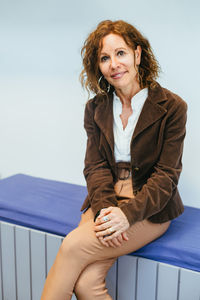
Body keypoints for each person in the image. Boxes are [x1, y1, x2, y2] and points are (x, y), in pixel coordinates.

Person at [41, 20, 187, 300]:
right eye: (104, 58)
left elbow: (166, 176)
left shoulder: (173, 107)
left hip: (149, 209)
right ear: (99, 67)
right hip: (104, 201)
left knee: (72, 246)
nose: (114, 64)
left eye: (120, 53)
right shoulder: (95, 108)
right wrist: (109, 211)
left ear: (138, 54)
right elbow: (94, 167)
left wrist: (127, 215)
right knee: (86, 284)